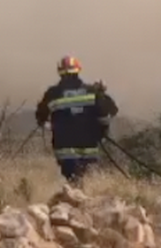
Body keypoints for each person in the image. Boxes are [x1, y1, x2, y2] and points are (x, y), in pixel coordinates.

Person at [36, 56, 118, 185]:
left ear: (60, 72)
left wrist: (49, 125)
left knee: (72, 181)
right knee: (87, 180)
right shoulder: (92, 91)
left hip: (64, 148)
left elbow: (41, 116)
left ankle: (73, 201)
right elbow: (110, 111)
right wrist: (102, 93)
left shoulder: (53, 94)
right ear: (78, 70)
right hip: (89, 147)